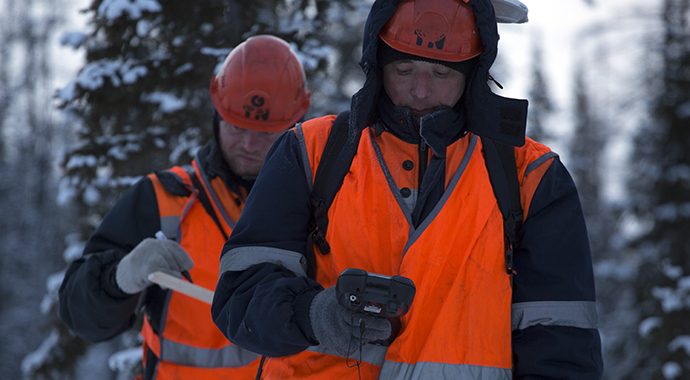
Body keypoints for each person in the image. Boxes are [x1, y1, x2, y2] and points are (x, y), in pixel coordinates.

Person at [211, 0, 604, 379]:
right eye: (403, 68)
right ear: (378, 66)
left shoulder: (531, 177)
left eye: (441, 74)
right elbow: (240, 295)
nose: (419, 91)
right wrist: (313, 314)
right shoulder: (309, 151)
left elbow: (561, 350)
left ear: (472, 74)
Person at [58, 35, 311, 380]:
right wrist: (120, 277)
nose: (250, 145)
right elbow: (81, 316)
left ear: (294, 126)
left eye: (266, 134)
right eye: (237, 127)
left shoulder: (314, 206)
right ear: (217, 113)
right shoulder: (164, 200)